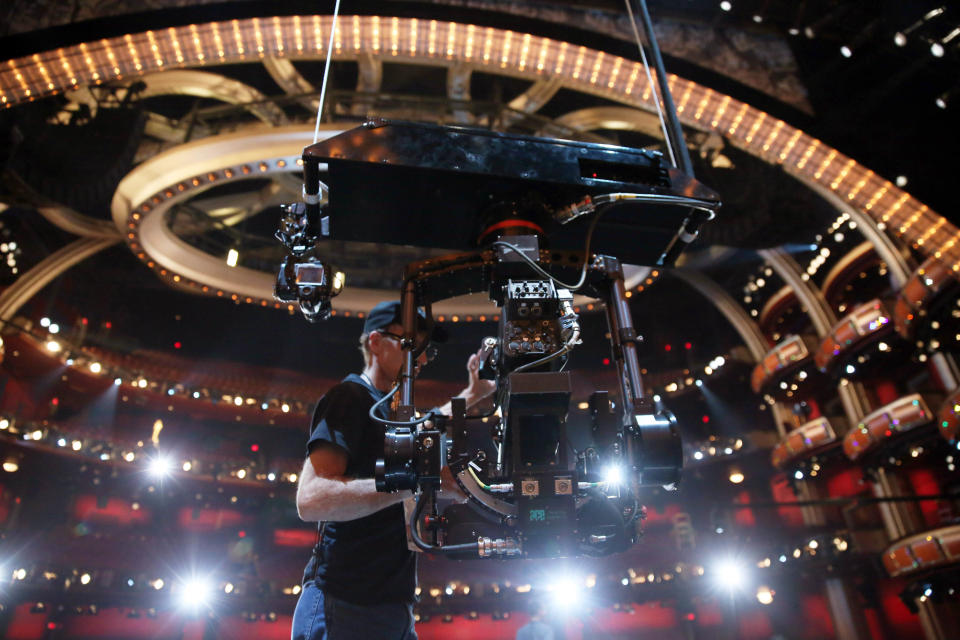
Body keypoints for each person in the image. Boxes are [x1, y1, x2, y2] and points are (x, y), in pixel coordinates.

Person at [291, 301, 494, 640]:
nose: (423, 359)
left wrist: (470, 395)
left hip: (391, 608)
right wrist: (415, 480)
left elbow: (425, 424)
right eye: (412, 345)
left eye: (426, 350)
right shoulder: (349, 398)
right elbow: (311, 500)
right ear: (375, 342)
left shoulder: (389, 409)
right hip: (345, 605)